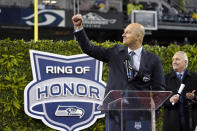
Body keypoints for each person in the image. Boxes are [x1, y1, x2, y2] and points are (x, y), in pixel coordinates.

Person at [72, 14, 165, 131]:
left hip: (140, 115)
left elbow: (159, 89)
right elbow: (89, 49)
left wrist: (152, 112)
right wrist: (79, 28)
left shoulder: (153, 59)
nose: (123, 34)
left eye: (128, 32)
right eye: (124, 32)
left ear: (138, 36)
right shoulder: (115, 52)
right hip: (115, 113)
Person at [163, 51, 197, 131]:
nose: (174, 62)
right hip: (171, 123)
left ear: (185, 62)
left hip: (191, 123)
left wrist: (194, 97)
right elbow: (159, 99)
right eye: (173, 60)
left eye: (177, 59)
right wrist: (169, 100)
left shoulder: (195, 78)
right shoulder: (166, 78)